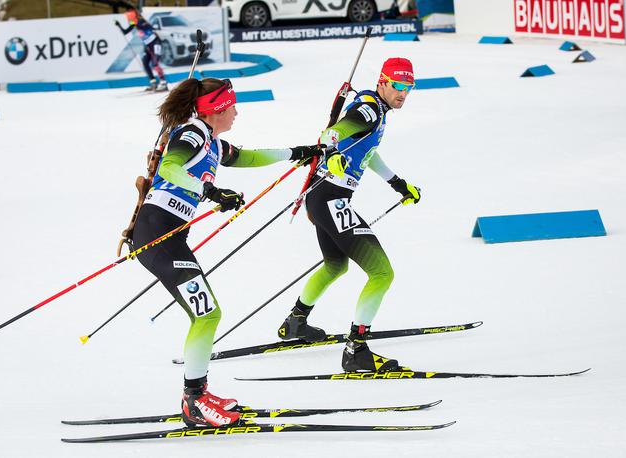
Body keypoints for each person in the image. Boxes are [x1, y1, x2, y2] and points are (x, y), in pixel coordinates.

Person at [133, 77, 323, 427]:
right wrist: (210, 191)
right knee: (207, 314)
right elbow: (170, 168)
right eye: (231, 106)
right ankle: (194, 401)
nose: (236, 111)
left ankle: (198, 394)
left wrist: (294, 153)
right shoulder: (191, 135)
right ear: (216, 109)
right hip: (156, 236)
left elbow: (247, 157)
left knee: (206, 314)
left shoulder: (211, 141)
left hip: (168, 237)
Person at [277, 57, 421, 373]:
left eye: (408, 88)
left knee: (335, 265)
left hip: (322, 197)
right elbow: (335, 134)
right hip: (331, 198)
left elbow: (366, 149)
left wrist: (397, 183)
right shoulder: (369, 110)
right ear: (382, 81)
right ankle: (357, 350)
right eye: (397, 86)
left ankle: (296, 323)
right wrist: (331, 155)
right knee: (382, 273)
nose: (403, 94)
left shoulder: (377, 109)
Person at [114, 9, 168, 92]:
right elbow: (125, 32)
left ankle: (163, 83)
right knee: (145, 62)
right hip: (148, 46)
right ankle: (153, 82)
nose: (129, 19)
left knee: (155, 64)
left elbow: (144, 26)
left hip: (155, 43)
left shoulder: (142, 21)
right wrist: (119, 25)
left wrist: (135, 23)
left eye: (130, 17)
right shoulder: (134, 23)